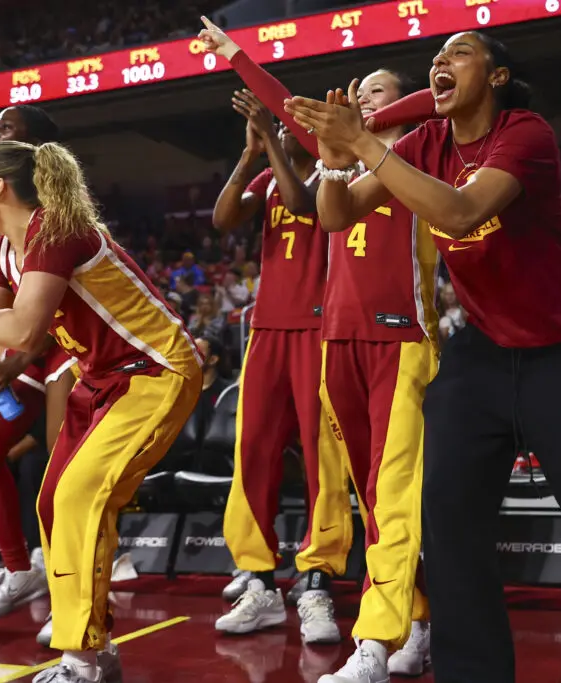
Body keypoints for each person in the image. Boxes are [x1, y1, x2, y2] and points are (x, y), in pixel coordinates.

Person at [285, 30, 561, 683]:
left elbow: (461, 212)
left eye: (459, 53)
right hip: (486, 350)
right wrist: (330, 157)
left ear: (495, 77)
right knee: (449, 508)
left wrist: (363, 144)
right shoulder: (425, 143)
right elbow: (339, 213)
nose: (440, 61)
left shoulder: (526, 134)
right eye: (435, 56)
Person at [0, 140, 202, 683]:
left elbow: (25, 332)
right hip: (98, 378)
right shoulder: (7, 251)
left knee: (79, 496)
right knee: (53, 501)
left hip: (154, 370)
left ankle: (81, 660)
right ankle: (94, 651)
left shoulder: (54, 231)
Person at [201, 17, 442, 675]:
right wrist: (235, 55)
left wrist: (371, 120)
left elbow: (436, 99)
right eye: (360, 92)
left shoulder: (424, 148)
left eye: (378, 92)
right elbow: (285, 109)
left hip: (399, 341)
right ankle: (415, 620)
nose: (364, 101)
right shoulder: (341, 164)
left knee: (387, 496)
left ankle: (373, 638)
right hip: (338, 342)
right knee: (372, 499)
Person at [208, 65, 339, 640]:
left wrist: (276, 145)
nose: (280, 132)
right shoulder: (267, 177)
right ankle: (257, 577)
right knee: (253, 451)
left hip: (318, 331)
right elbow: (222, 218)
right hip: (266, 332)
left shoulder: (334, 176)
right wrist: (249, 153)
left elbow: (304, 205)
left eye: (289, 125)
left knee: (319, 458)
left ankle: (315, 580)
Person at [0, 104, 75, 624]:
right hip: (28, 350)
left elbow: (46, 314)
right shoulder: (4, 240)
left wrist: (19, 353)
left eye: (5, 129)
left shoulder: (61, 216)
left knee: (59, 466)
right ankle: (18, 568)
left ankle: (69, 584)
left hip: (72, 348)